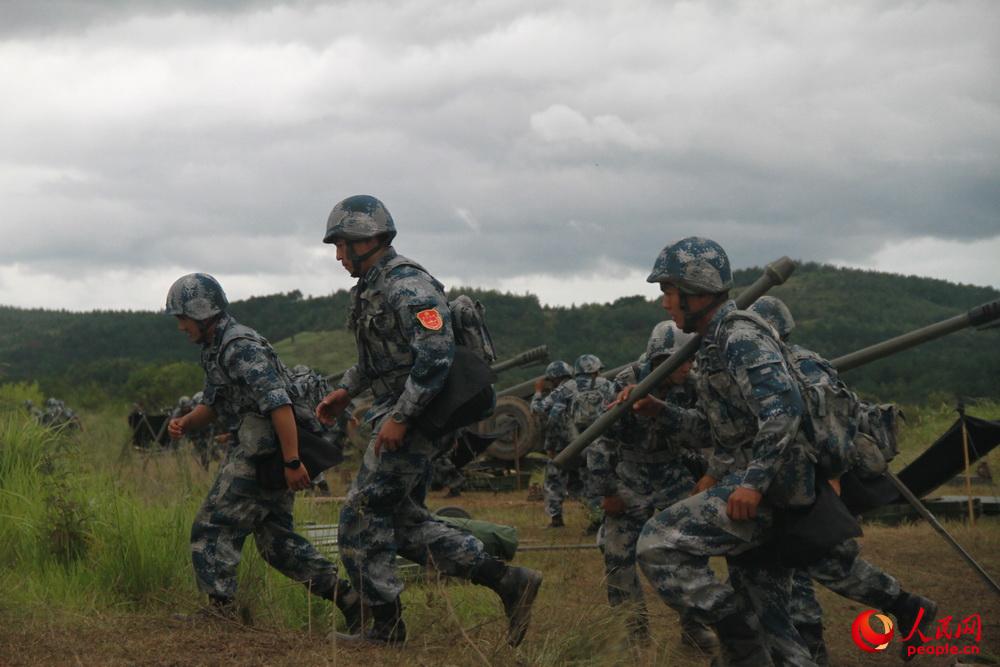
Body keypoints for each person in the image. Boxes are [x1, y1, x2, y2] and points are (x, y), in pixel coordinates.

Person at [633, 237, 936, 666]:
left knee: (656, 542)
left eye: (667, 291)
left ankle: (736, 630)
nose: (664, 304)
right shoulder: (714, 344)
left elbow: (783, 409)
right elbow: (721, 432)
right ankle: (756, 635)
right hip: (759, 487)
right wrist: (659, 410)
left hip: (771, 491)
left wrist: (753, 485)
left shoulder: (739, 337)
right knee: (775, 627)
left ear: (695, 290)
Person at [315, 194, 542, 647]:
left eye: (342, 244)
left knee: (360, 516)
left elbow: (435, 356)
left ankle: (384, 627)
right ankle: (508, 581)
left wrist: (400, 418)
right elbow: (378, 359)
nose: (338, 255)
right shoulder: (371, 290)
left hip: (415, 418)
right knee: (400, 524)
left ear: (371, 239)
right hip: (396, 411)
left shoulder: (408, 286)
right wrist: (346, 390)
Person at [164, 272, 360, 630]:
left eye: (182, 318)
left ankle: (219, 615)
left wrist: (292, 462)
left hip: (265, 455)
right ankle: (352, 601)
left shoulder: (240, 346)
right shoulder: (215, 348)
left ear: (202, 312)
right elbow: (213, 403)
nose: (180, 327)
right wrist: (186, 423)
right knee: (277, 545)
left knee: (212, 525)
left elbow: (278, 405)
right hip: (265, 452)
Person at [588, 321, 716, 649]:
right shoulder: (623, 383)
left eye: (690, 359)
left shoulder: (694, 386)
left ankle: (694, 628)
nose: (687, 366)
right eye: (679, 360)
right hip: (629, 474)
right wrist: (608, 490)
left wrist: (663, 411)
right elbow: (599, 440)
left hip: (673, 472)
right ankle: (631, 632)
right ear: (657, 359)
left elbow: (704, 433)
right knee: (618, 555)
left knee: (690, 551)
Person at [540, 354, 614, 534]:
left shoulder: (568, 387)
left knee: (556, 478)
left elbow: (546, 410)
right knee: (594, 482)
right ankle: (598, 521)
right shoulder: (607, 385)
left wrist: (551, 444)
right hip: (602, 443)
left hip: (574, 444)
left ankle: (556, 517)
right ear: (596, 370)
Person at [530, 360, 575, 527]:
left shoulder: (561, 391)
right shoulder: (578, 387)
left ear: (555, 378)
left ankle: (556, 519)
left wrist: (538, 391)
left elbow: (538, 409)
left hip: (562, 445)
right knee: (584, 481)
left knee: (554, 480)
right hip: (583, 441)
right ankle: (596, 518)